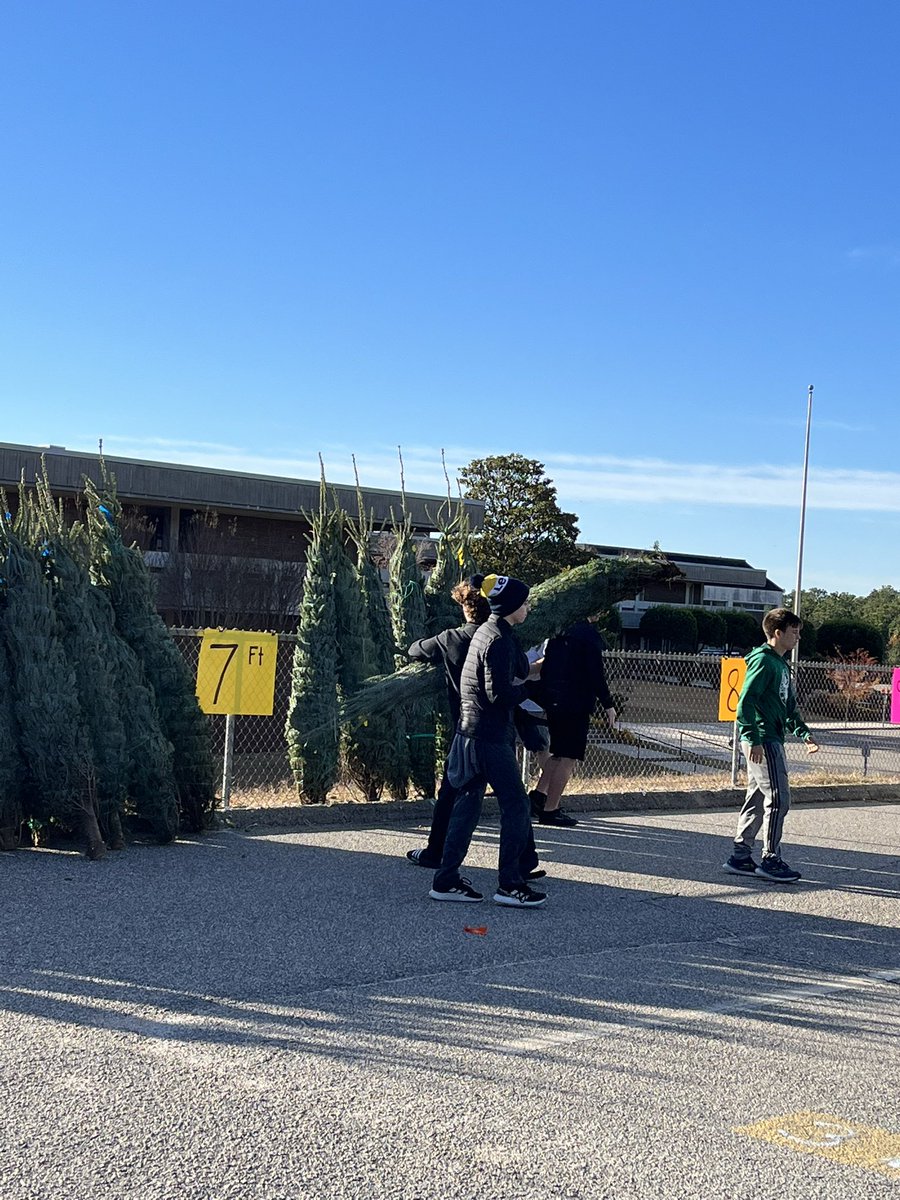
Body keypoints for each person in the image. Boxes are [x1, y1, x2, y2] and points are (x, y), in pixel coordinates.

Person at [430, 573, 547, 909]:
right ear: (510, 605)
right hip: (490, 735)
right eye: (524, 602)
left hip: (469, 732)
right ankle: (510, 884)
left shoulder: (485, 632)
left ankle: (446, 879)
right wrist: (532, 690)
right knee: (517, 805)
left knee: (467, 805)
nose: (527, 607)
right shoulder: (499, 639)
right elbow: (498, 694)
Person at [723, 607, 819, 883]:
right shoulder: (764, 662)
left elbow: (787, 707)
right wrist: (752, 738)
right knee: (778, 799)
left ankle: (740, 857)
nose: (798, 637)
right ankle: (771, 859)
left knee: (756, 797)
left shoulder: (781, 664)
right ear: (778, 633)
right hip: (763, 741)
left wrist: (804, 733)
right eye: (794, 632)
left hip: (772, 738)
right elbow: (746, 702)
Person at [403, 578, 491, 869]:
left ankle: (436, 852)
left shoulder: (452, 638)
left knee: (452, 790)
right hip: (496, 727)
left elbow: (415, 650)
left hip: (464, 725)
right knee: (511, 794)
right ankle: (522, 862)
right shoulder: (497, 637)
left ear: (465, 608)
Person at [528, 616, 617, 827]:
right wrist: (608, 703)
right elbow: (596, 672)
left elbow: (547, 666)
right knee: (568, 758)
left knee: (558, 753)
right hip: (575, 702)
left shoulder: (559, 632)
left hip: (554, 699)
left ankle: (539, 796)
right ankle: (551, 809)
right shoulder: (588, 635)